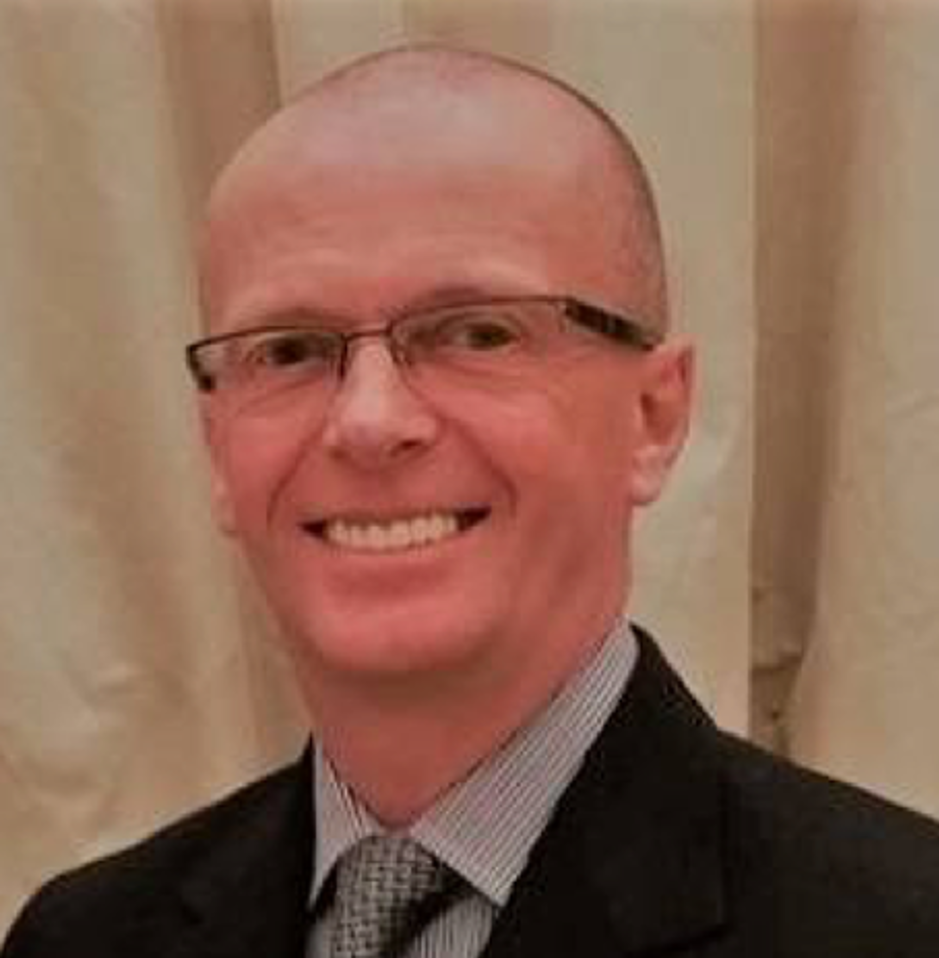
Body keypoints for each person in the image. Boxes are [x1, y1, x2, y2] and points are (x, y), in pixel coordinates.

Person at [4, 44, 939, 958]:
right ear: (218, 449)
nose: (369, 422)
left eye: (477, 334)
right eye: (288, 350)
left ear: (653, 417)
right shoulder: (82, 938)